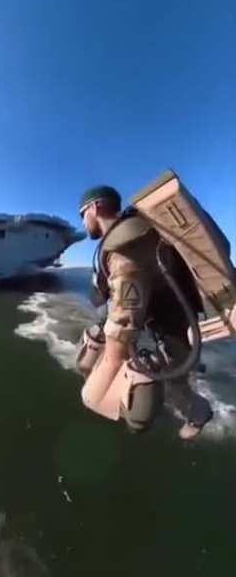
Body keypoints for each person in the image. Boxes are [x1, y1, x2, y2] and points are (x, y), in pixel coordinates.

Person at [78, 185, 213, 440]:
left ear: (95, 207)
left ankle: (200, 414)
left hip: (171, 327)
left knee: (175, 388)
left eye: (83, 213)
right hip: (160, 318)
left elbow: (125, 315)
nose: (84, 222)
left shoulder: (124, 249)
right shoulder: (135, 231)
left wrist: (106, 372)